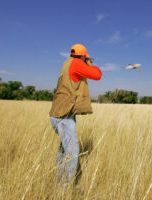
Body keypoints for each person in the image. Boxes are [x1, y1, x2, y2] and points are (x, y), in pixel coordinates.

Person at [49, 44, 102, 183]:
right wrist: (90, 64)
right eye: (86, 57)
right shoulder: (77, 64)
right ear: (83, 56)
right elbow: (97, 75)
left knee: (64, 150)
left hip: (57, 112)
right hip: (64, 115)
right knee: (72, 152)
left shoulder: (67, 63)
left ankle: (58, 180)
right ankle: (64, 189)